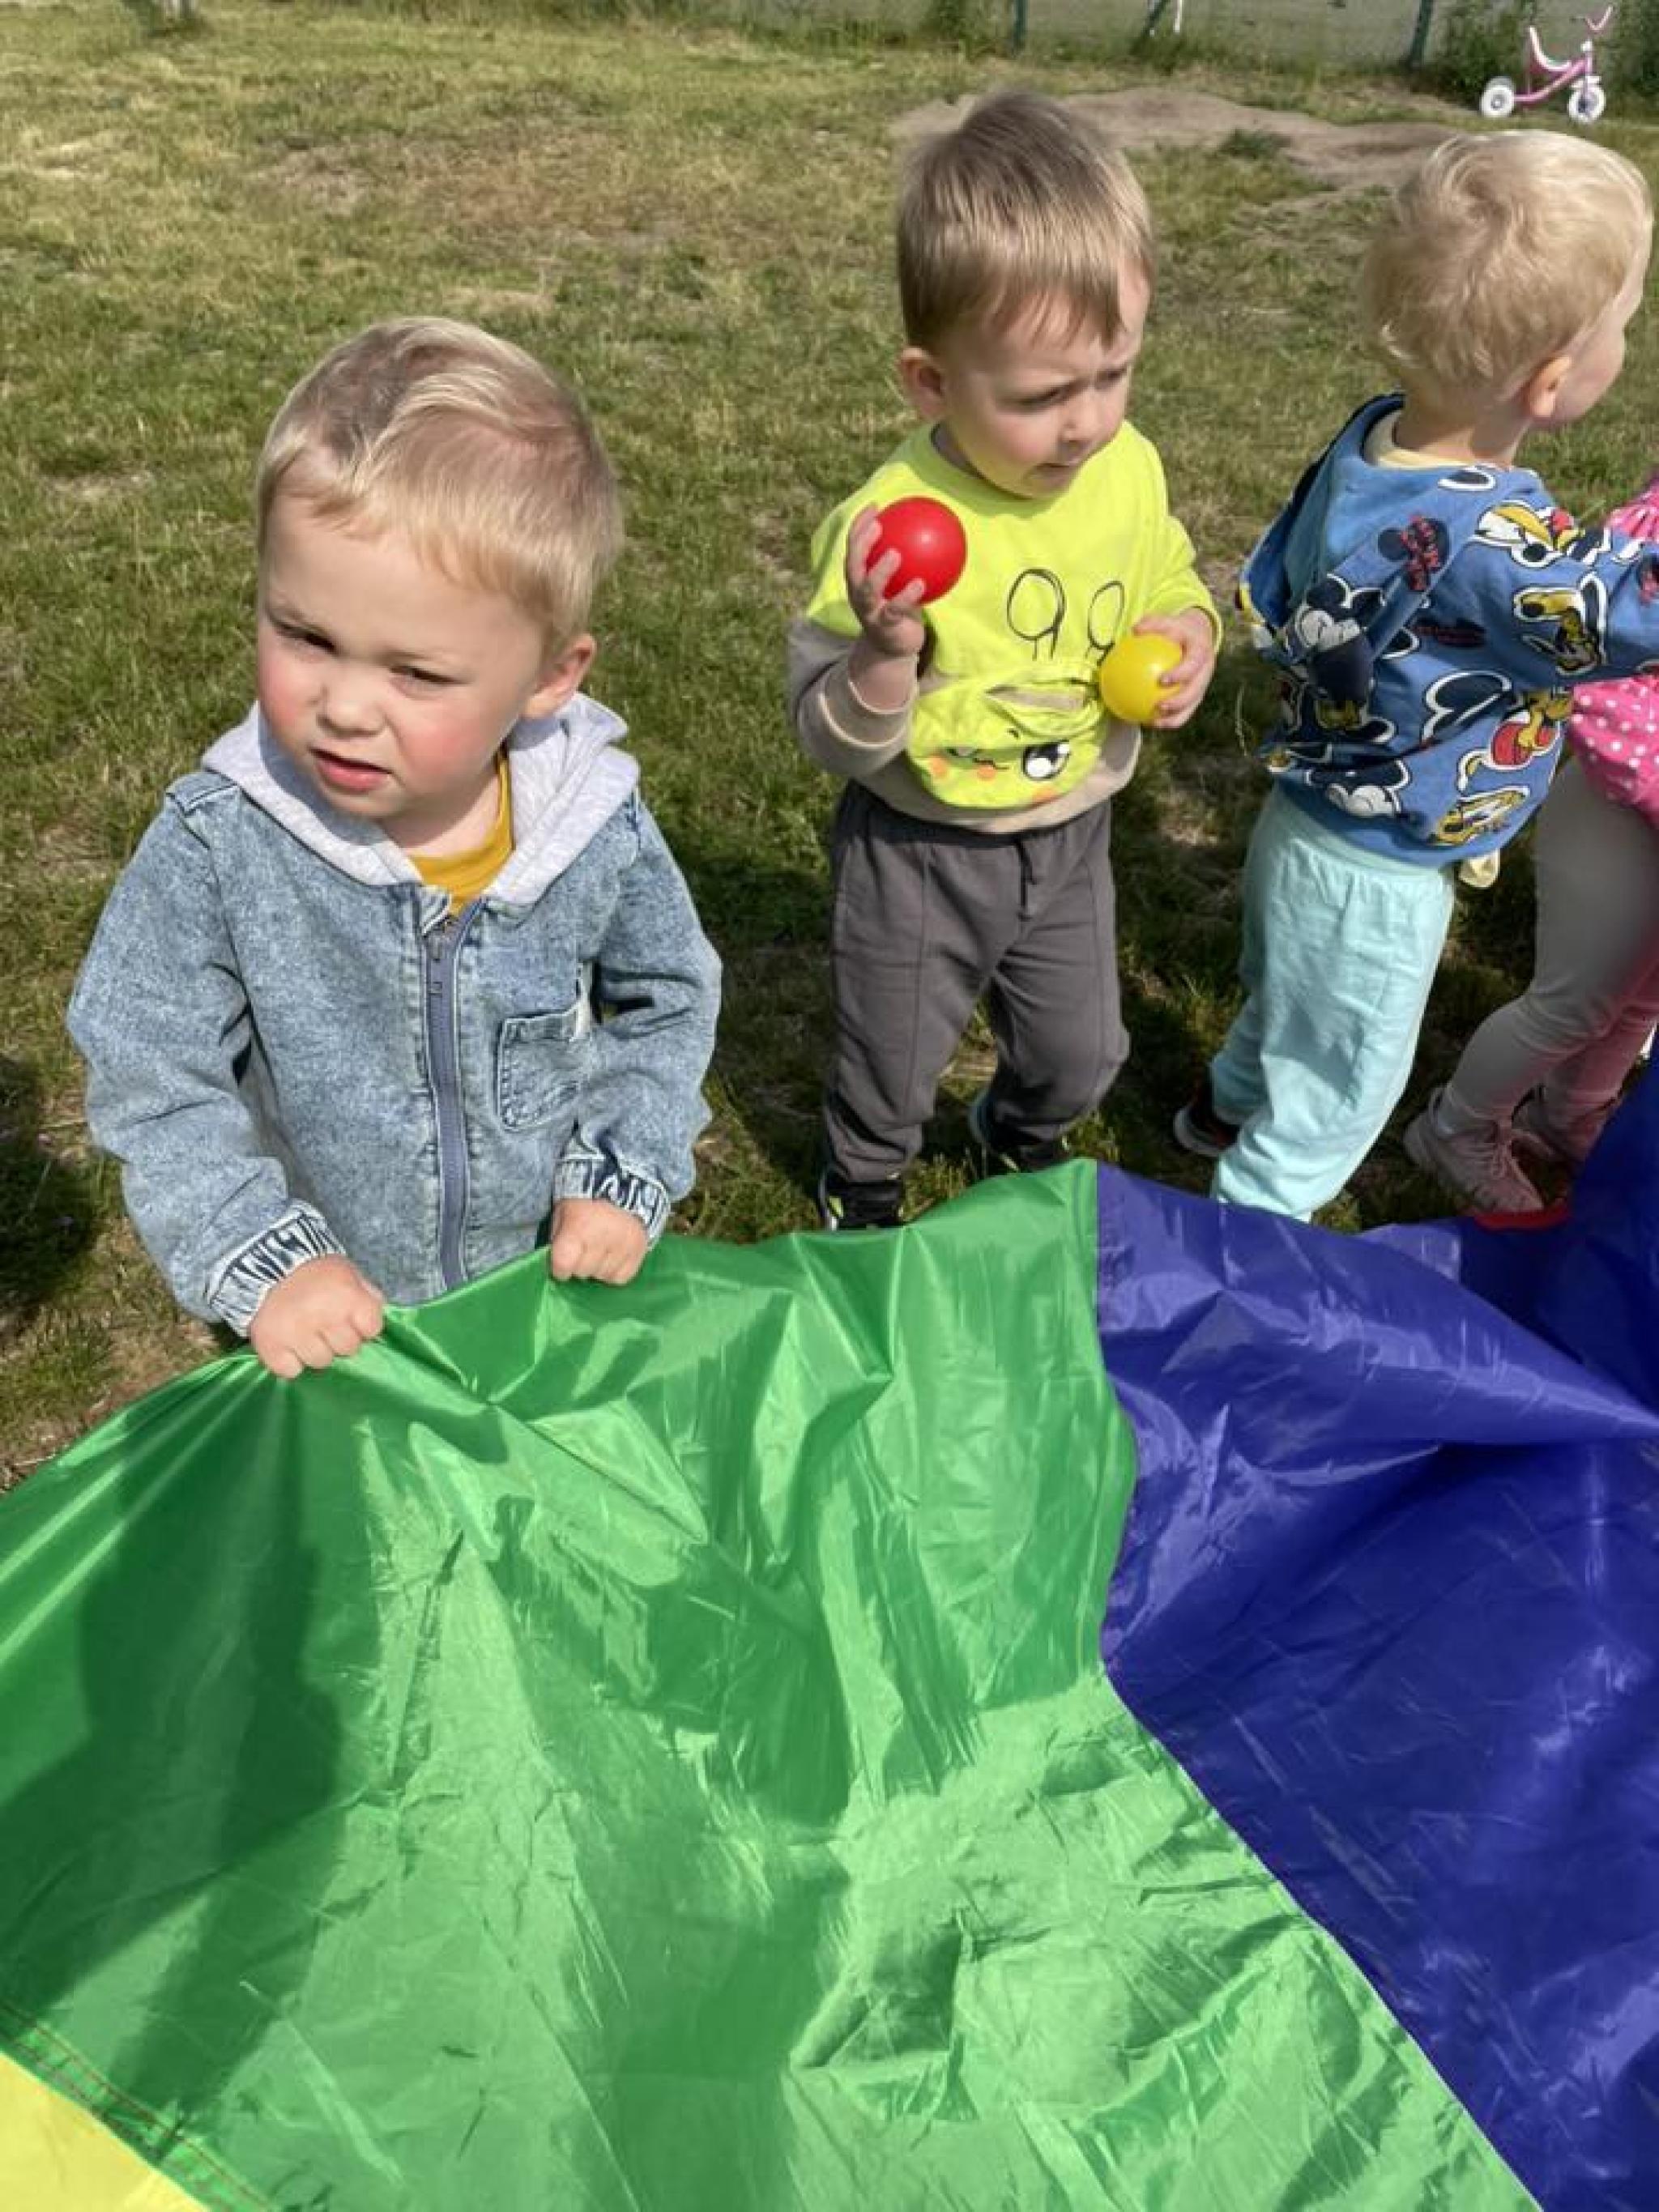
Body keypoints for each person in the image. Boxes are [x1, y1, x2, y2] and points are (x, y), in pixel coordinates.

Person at [69, 318, 720, 1377]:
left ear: (549, 677)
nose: (345, 706)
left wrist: (620, 1165)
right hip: (322, 1316)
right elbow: (148, 1056)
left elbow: (670, 997)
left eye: (415, 673)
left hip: (539, 1286)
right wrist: (261, 1251)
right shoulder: (225, 839)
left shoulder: (589, 824)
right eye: (306, 635)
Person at [1173, 130, 1654, 1220]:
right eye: (1623, 325)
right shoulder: (1488, 541)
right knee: (1336, 1093)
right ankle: (1239, 1244)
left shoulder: (1378, 440)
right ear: (1550, 379)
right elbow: (1611, 616)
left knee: (1284, 1009)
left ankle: (1218, 1110)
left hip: (1305, 820)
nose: (1629, 341)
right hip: (1380, 877)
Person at [788, 89, 1219, 1231]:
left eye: (1113, 374)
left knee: (1084, 1050)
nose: (1086, 422)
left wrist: (1190, 631)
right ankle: (862, 1179)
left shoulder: (1123, 468)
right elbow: (822, 728)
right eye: (1041, 396)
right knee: (892, 1054)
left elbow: (1167, 571)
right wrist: (884, 655)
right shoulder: (888, 531)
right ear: (930, 382)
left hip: (1071, 827)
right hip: (921, 842)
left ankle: (1020, 1129)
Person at [1404, 476, 1659, 1210]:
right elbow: (1604, 677)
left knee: (1642, 996)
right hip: (1619, 808)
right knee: (1573, 1003)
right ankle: (1456, 1126)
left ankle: (1571, 1112)